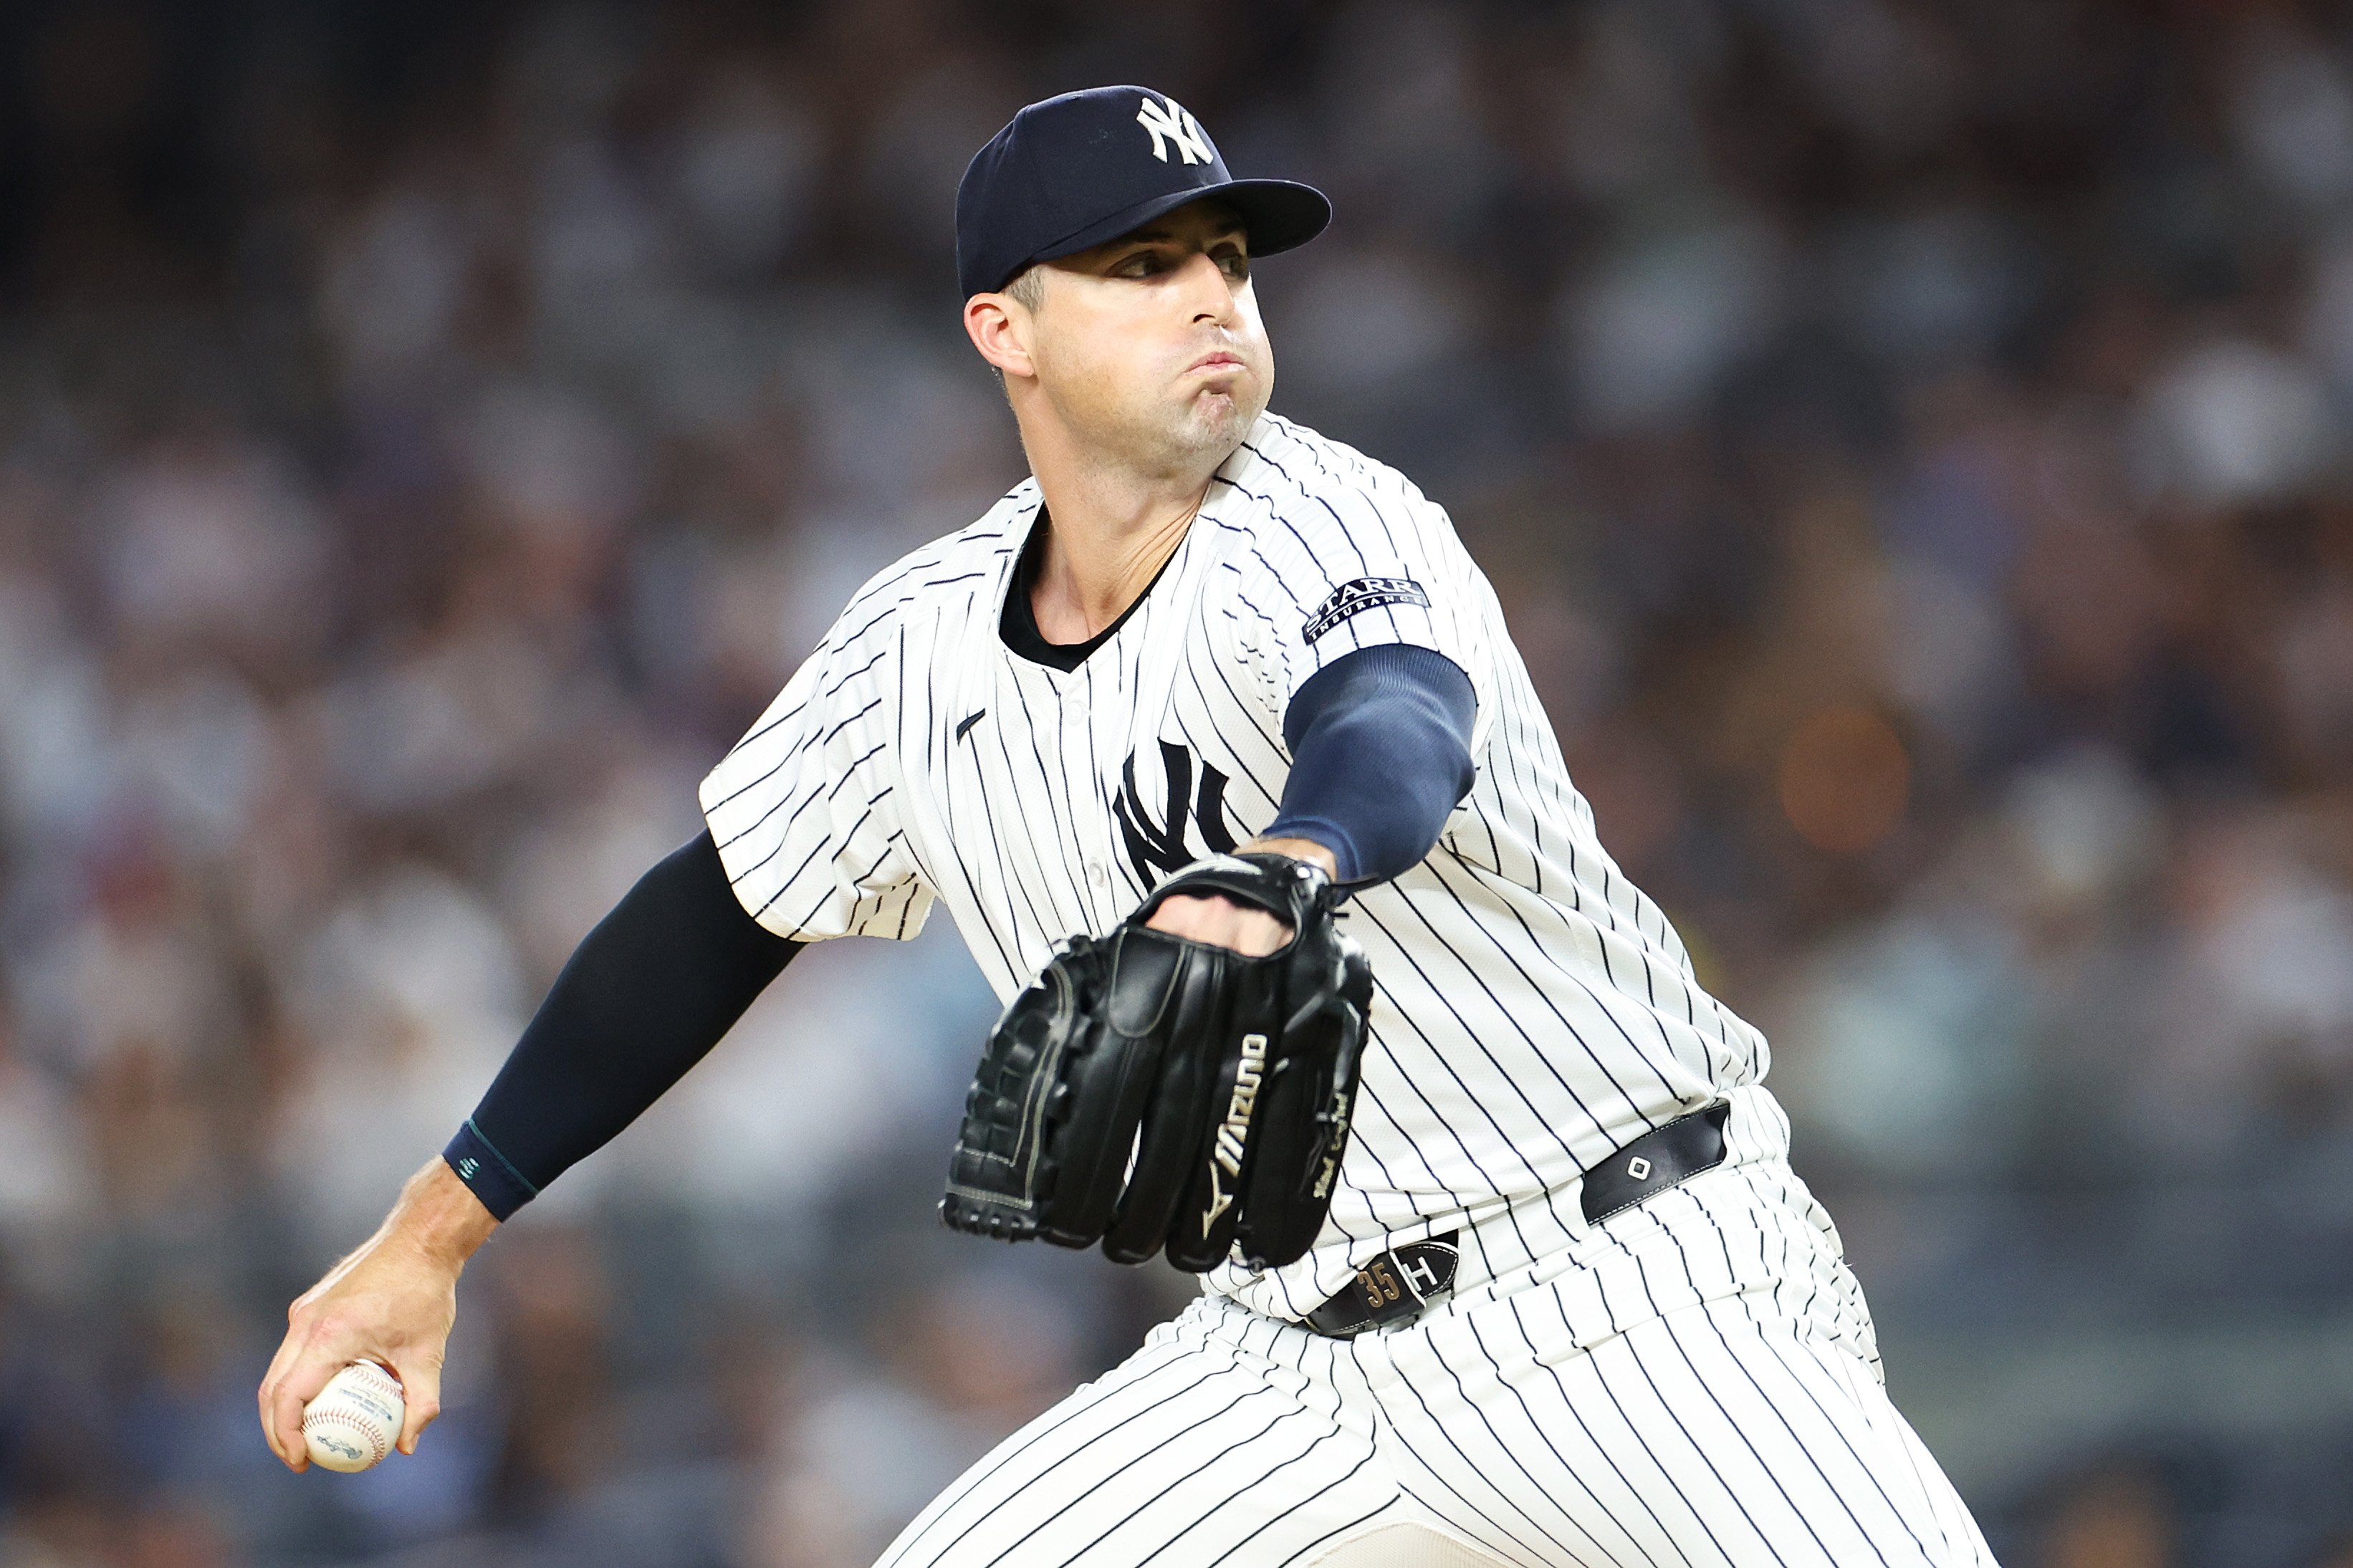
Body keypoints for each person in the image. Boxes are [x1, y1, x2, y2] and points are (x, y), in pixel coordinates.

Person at [259, 86, 1998, 1567]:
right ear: (999, 330)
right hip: (1286, 1373)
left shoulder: (1323, 515)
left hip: (1633, 1285)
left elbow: (1393, 717)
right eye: (1143, 264)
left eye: (1229, 261)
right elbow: (710, 919)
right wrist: (432, 1236)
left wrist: (1292, 863)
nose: (1213, 302)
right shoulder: (917, 646)